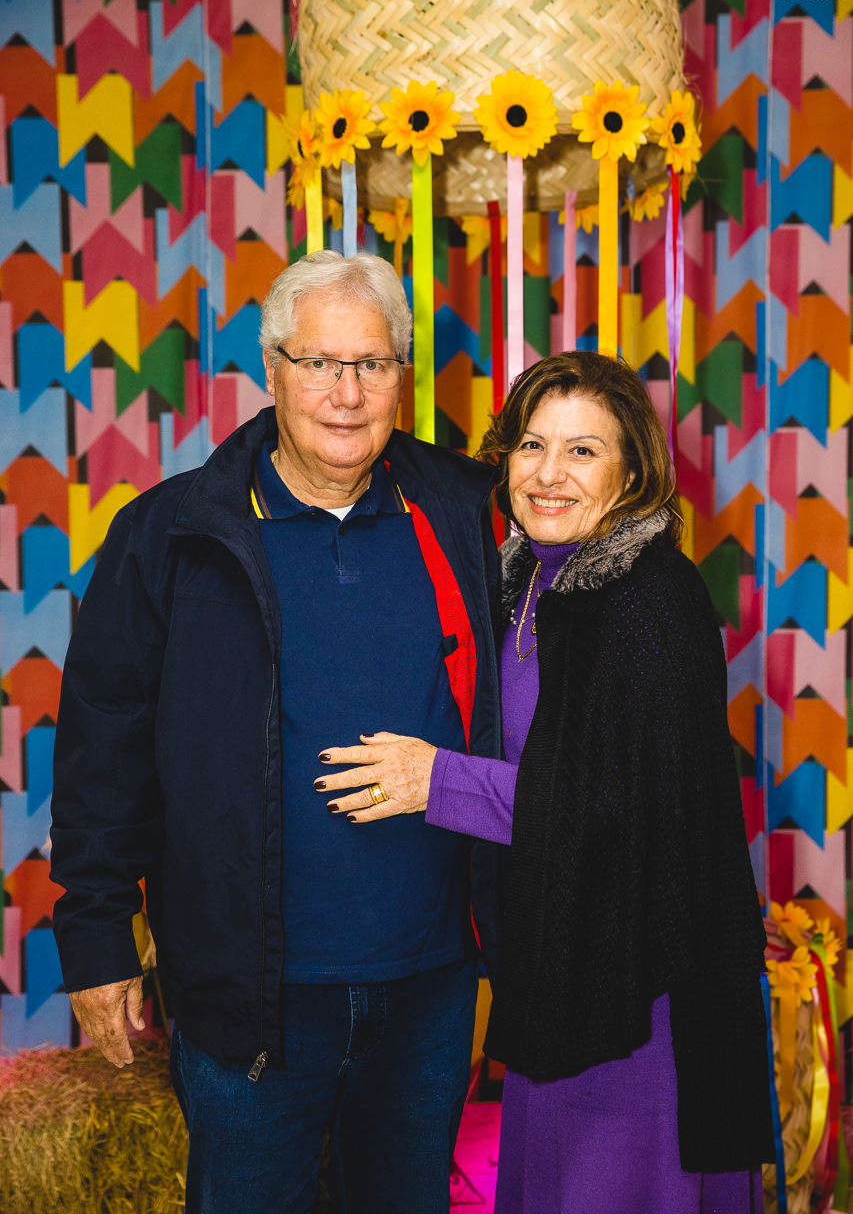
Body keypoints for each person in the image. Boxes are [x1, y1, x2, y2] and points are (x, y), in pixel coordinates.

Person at [50, 249, 502, 1214]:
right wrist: (94, 938)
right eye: (319, 362)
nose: (346, 393)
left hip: (430, 984)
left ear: (402, 376)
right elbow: (103, 742)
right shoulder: (171, 534)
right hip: (247, 992)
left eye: (372, 364)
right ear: (271, 367)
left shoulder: (468, 511)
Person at [316, 351, 775, 1213]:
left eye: (582, 451)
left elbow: (618, 804)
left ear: (631, 473)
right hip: (556, 966)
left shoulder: (650, 597)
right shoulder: (527, 578)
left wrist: (435, 781)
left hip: (639, 988)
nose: (547, 474)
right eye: (531, 445)